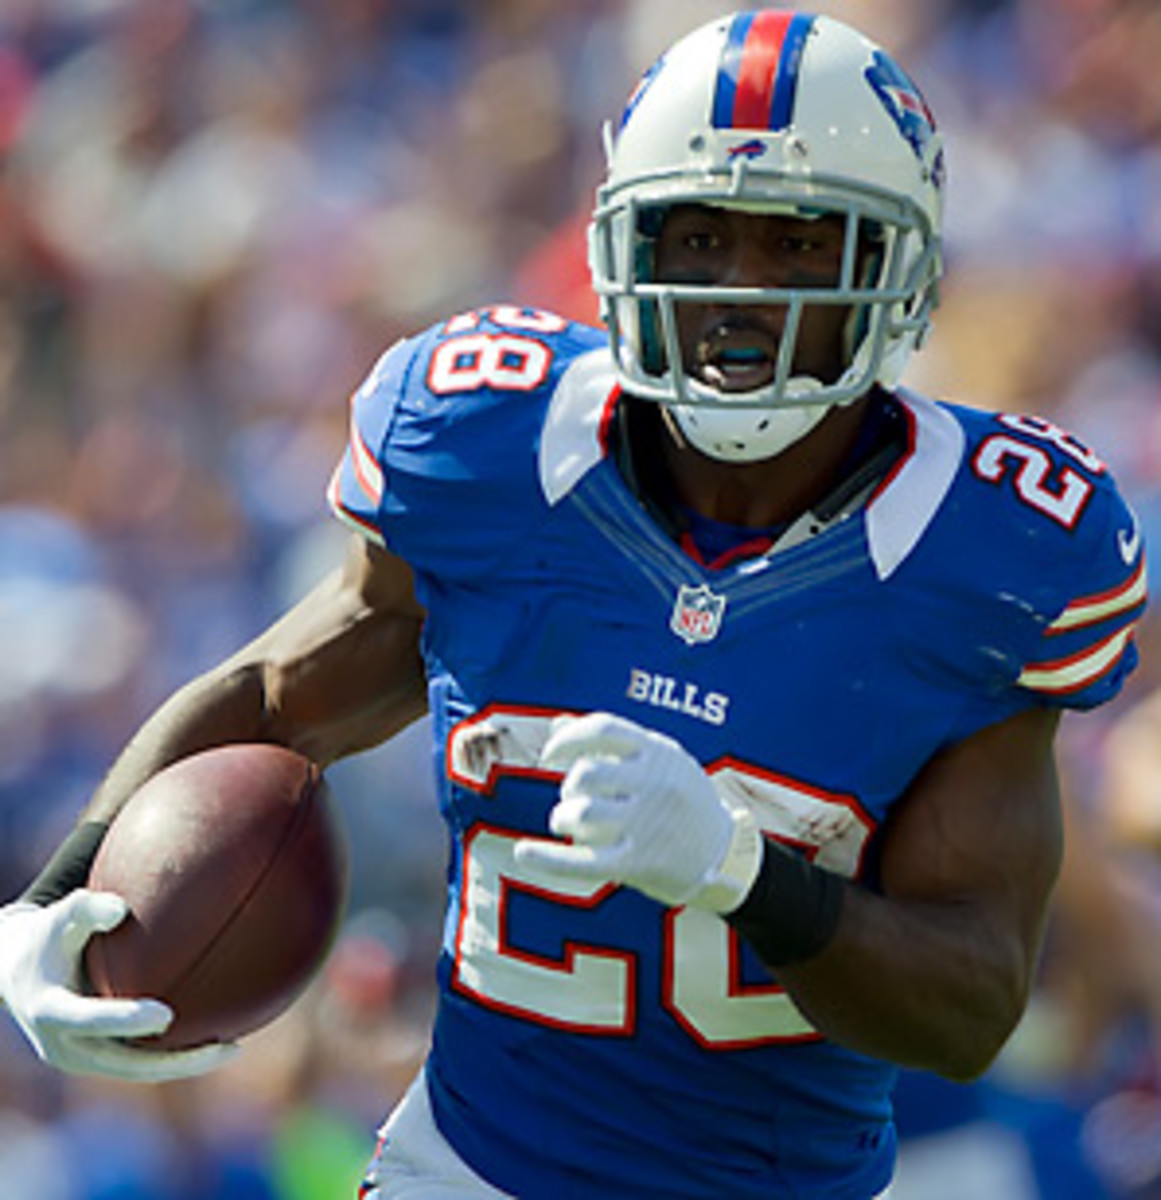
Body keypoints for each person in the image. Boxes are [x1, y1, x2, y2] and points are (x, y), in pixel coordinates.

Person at [0, 9, 1150, 1198]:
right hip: (467, 1168)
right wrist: (51, 895)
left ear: (896, 267)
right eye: (700, 237)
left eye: (803, 244)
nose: (745, 293)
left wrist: (736, 870)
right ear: (621, 241)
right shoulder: (489, 446)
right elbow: (277, 700)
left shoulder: (990, 549)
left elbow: (966, 1008)